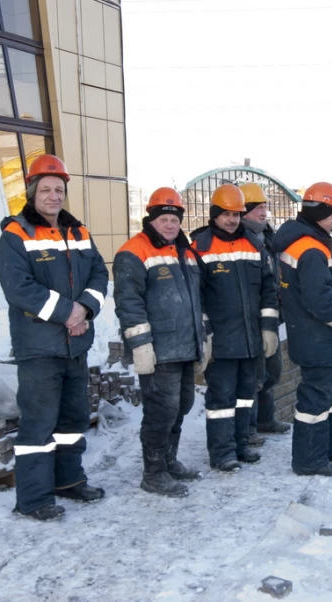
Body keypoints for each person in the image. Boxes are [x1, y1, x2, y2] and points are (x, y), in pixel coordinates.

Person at [0, 154, 108, 521]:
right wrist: (69, 313)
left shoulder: (78, 232)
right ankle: (32, 499)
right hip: (39, 348)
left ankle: (68, 481)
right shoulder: (16, 234)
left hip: (75, 345)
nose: (53, 195)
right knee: (39, 424)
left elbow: (99, 275)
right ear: (32, 192)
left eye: (58, 189)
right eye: (45, 189)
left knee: (72, 421)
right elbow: (19, 289)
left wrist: (86, 309)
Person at [113, 187, 207, 497]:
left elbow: (197, 299)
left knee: (182, 405)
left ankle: (169, 462)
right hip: (158, 349)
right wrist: (140, 345)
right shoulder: (134, 252)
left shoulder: (184, 251)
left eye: (174, 219)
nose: (170, 225)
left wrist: (202, 337)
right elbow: (129, 303)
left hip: (184, 345)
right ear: (151, 220)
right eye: (164, 219)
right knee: (161, 411)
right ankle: (153, 473)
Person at [273, 182, 332, 477]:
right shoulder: (310, 248)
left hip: (316, 337)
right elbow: (319, 300)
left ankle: (327, 447)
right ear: (321, 212)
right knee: (316, 399)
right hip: (318, 338)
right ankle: (309, 460)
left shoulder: (306, 241)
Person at [192, 184, 280, 472]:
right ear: (214, 215)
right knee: (221, 401)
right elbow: (196, 298)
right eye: (226, 214)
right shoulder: (200, 247)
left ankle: (241, 445)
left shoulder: (254, 245)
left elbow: (269, 287)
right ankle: (222, 453)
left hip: (250, 339)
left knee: (246, 397)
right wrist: (205, 336)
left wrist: (268, 327)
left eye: (236, 214)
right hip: (221, 342)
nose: (231, 220)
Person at [239, 183, 292, 443]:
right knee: (253, 376)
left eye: (265, 207)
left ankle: (265, 419)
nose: (264, 213)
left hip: (271, 314)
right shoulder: (240, 239)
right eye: (259, 208)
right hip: (249, 319)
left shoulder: (266, 236)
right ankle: (248, 429)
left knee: (272, 370)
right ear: (245, 210)